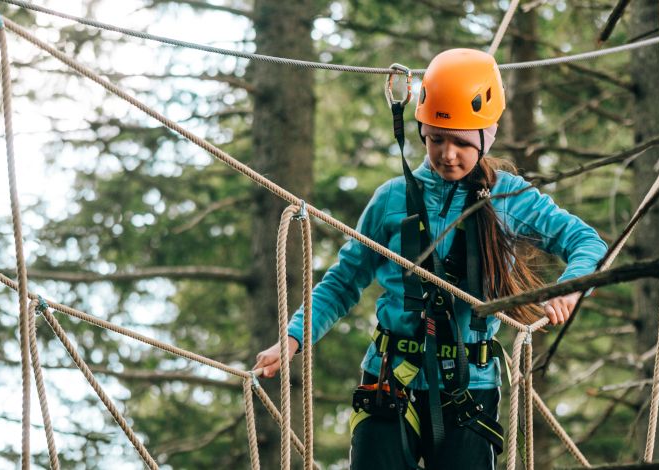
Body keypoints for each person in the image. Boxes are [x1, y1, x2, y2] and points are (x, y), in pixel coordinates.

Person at [253, 49, 607, 469]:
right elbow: (344, 280)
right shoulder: (391, 200)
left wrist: (569, 289)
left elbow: (586, 241)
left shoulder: (509, 198)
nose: (448, 154)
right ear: (420, 130)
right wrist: (294, 337)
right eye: (436, 138)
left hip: (468, 389)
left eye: (461, 141)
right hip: (389, 379)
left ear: (485, 136)